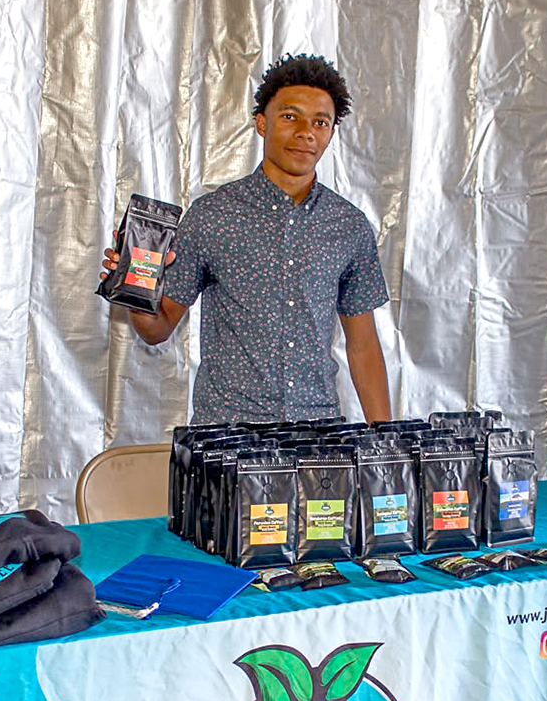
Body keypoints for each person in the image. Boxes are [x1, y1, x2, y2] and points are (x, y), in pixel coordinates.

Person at [102, 53, 392, 425]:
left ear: (331, 132)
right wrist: (135, 289)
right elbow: (157, 329)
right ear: (262, 123)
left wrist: (386, 439)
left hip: (317, 439)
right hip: (228, 438)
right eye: (290, 117)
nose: (306, 132)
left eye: (320, 122)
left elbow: (363, 344)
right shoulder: (212, 216)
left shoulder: (349, 226)